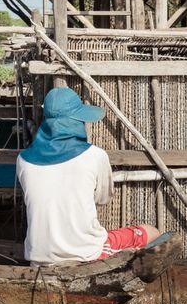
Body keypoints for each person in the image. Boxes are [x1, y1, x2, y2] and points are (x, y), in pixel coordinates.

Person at [17, 87, 160, 265]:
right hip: (87, 253)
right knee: (152, 232)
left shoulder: (23, 160)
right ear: (76, 121)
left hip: (39, 258)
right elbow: (102, 199)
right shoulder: (95, 156)